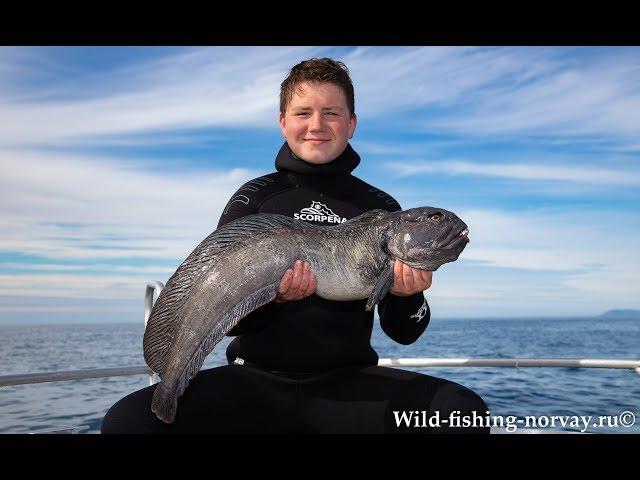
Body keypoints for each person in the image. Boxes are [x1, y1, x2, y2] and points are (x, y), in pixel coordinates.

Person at [101, 58, 489, 434]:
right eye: (304, 113)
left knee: (465, 414)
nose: (317, 125)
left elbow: (404, 333)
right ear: (283, 122)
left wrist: (408, 296)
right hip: (255, 384)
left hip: (350, 385)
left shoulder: (382, 208)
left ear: (351, 124)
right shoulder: (255, 198)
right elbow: (228, 313)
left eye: (332, 113)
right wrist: (274, 298)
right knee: (128, 422)